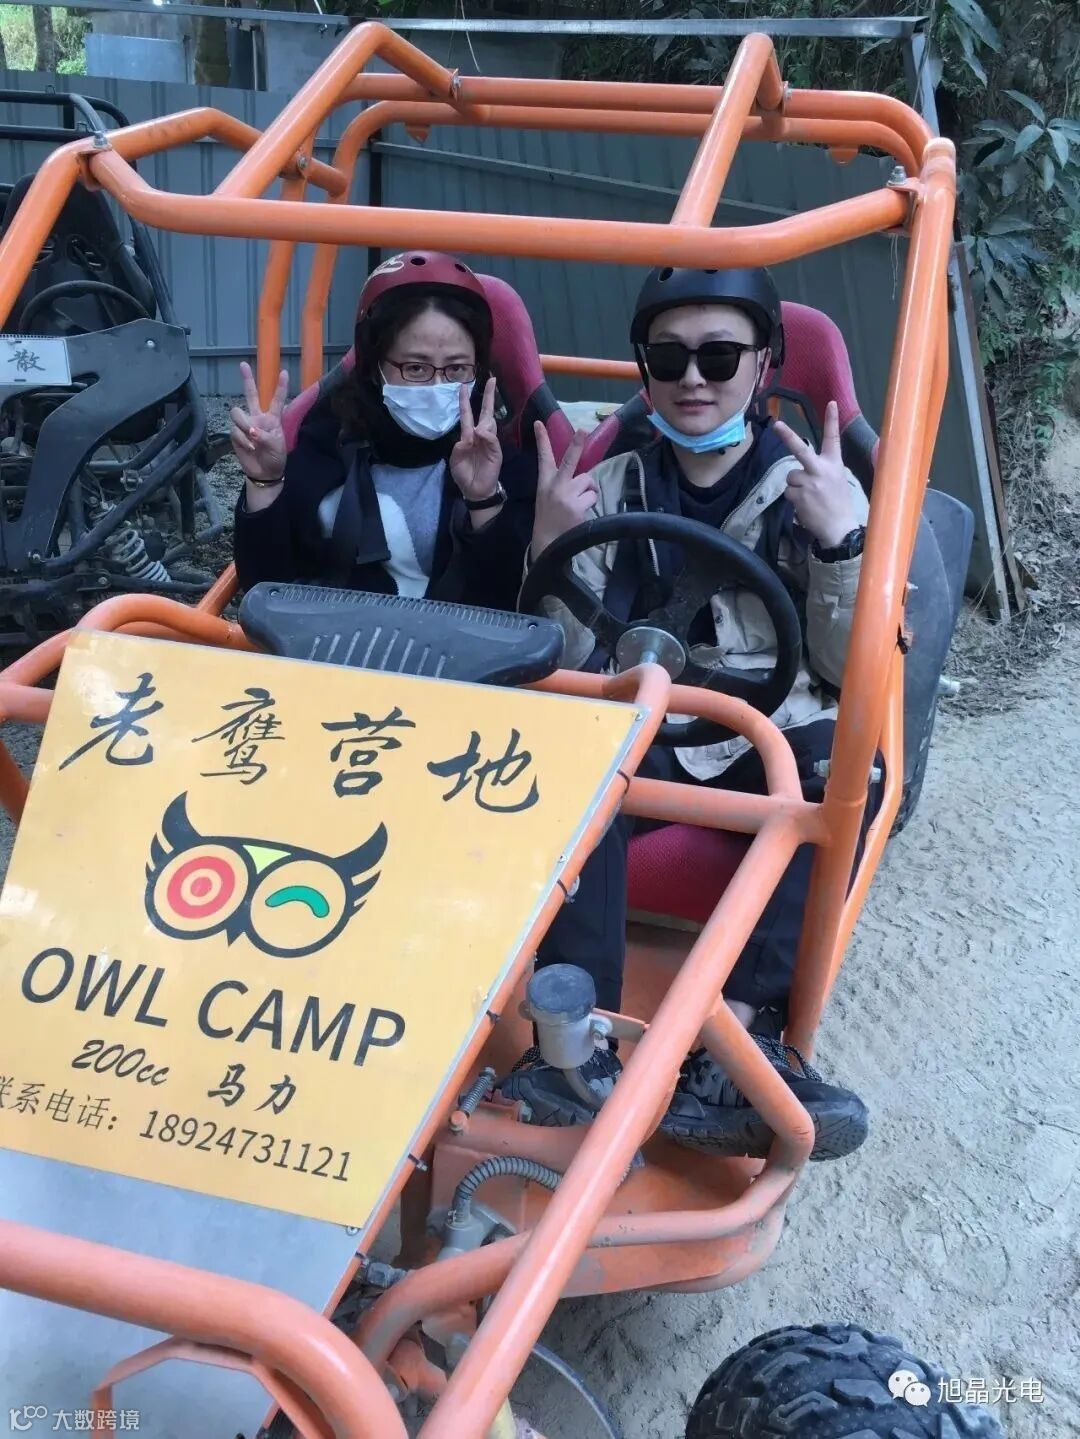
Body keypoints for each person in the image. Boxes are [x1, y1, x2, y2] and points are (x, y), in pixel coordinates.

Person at [502, 266, 880, 1163]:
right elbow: (561, 658)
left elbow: (846, 669)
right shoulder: (609, 484)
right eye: (669, 358)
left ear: (764, 362)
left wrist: (841, 545)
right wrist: (548, 546)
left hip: (768, 719)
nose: (694, 379)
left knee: (841, 768)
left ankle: (734, 1044)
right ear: (645, 367)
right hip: (647, 713)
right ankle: (573, 1044)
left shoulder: (816, 490)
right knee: (576, 761)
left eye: (719, 355)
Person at [230, 250, 535, 611]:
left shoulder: (500, 460)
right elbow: (265, 588)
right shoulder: (328, 439)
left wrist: (483, 500)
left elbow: (506, 608)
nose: (437, 386)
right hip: (326, 637)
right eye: (416, 368)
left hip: (450, 642)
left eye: (456, 369)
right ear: (375, 366)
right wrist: (264, 482)